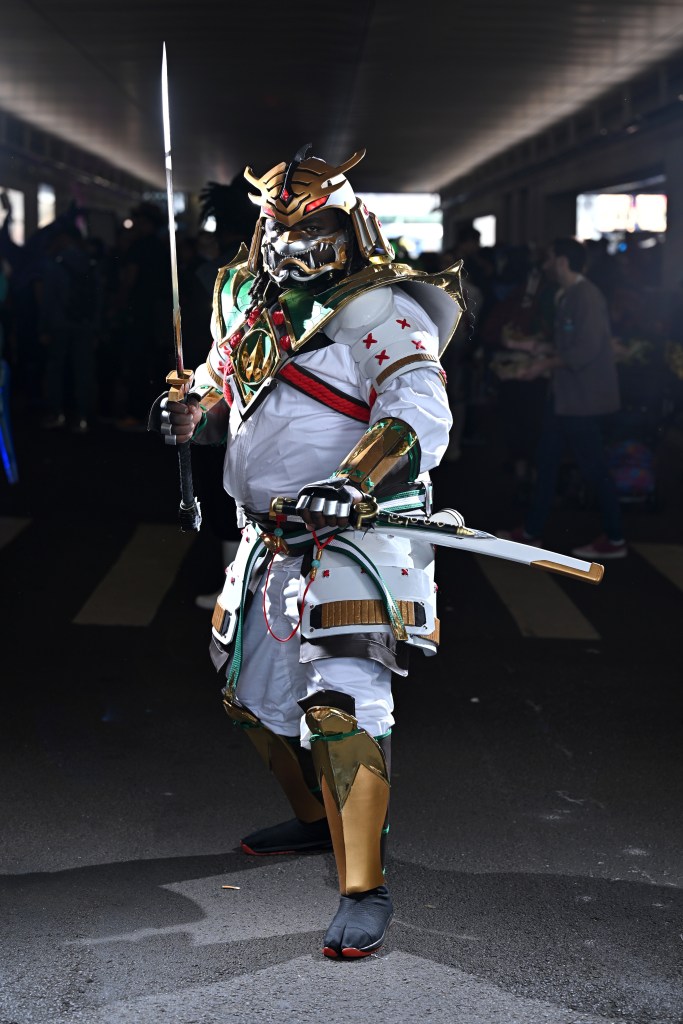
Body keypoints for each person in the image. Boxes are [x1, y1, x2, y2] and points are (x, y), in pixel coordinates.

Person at [151, 145, 465, 959]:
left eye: (315, 221)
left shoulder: (383, 305)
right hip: (265, 532)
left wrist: (352, 478)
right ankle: (311, 819)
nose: (296, 238)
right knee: (245, 695)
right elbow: (228, 377)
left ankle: (364, 886)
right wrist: (193, 409)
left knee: (341, 704)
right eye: (279, 222)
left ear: (350, 221)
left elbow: (416, 408)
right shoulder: (247, 298)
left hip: (355, 533)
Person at [498, 237, 626, 560]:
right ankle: (532, 532)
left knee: (592, 468)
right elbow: (567, 344)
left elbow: (581, 352)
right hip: (566, 400)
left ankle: (615, 538)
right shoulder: (569, 296)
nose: (546, 265)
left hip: (580, 402)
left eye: (551, 259)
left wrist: (540, 363)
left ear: (563, 262)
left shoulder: (585, 297)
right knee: (547, 462)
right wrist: (531, 348)